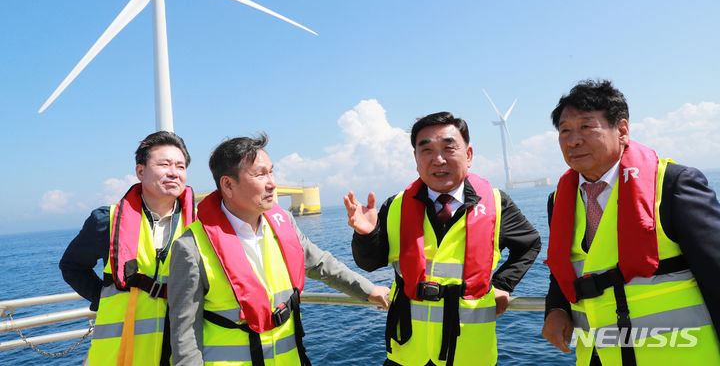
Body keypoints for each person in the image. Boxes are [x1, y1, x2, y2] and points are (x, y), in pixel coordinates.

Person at [168, 134, 390, 365]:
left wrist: (368, 290)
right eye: (260, 174)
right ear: (228, 184)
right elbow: (185, 338)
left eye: (271, 172)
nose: (272, 183)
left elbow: (320, 263)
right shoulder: (191, 247)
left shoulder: (283, 224)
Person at [542, 79, 720, 365]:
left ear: (622, 130)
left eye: (587, 127)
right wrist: (556, 308)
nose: (573, 140)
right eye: (565, 131)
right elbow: (566, 267)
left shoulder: (673, 184)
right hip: (596, 357)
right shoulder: (558, 201)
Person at [347, 111, 541, 366]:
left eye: (449, 148)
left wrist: (503, 284)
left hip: (469, 354)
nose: (438, 160)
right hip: (406, 353)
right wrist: (366, 235)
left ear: (469, 155)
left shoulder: (496, 203)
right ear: (416, 159)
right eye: (426, 150)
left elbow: (529, 244)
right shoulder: (394, 206)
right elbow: (370, 263)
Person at [59, 131, 195, 365]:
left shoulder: (201, 223)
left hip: (183, 355)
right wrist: (106, 297)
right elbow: (72, 266)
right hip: (123, 356)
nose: (174, 172)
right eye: (164, 164)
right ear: (140, 171)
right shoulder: (107, 221)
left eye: (180, 166)